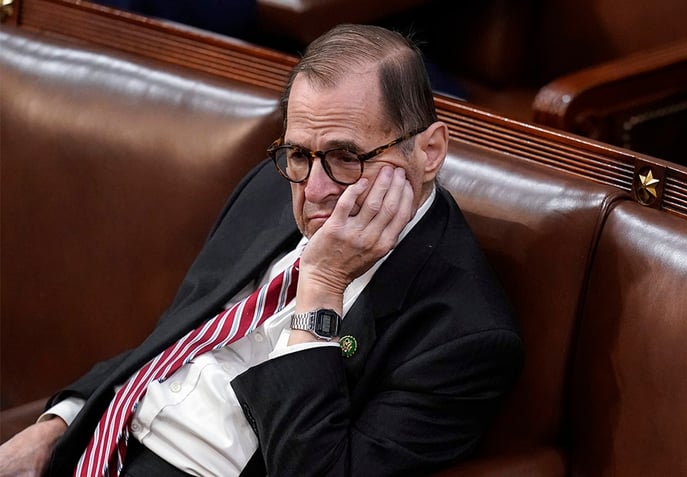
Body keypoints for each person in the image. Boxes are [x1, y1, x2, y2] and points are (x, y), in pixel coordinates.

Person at [0, 24, 522, 477]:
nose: (315, 189)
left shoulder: (463, 337)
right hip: (98, 443)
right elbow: (173, 336)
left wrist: (322, 291)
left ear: (428, 151)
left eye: (345, 156)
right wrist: (55, 427)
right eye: (300, 153)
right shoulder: (274, 187)